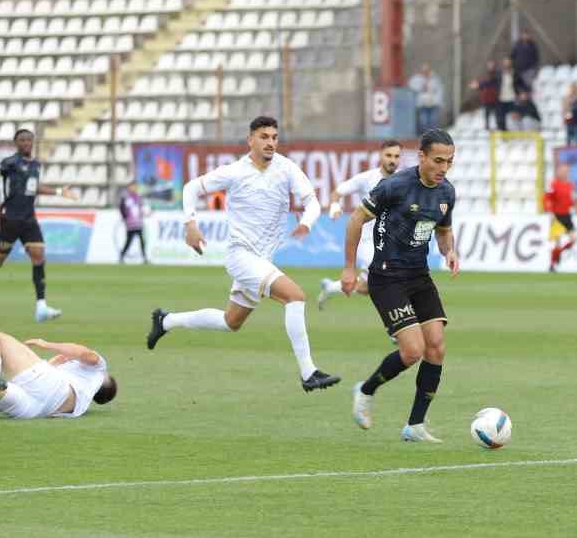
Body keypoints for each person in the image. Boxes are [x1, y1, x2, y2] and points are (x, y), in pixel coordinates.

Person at [145, 116, 339, 393]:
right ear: (250, 140)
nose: (270, 142)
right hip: (241, 256)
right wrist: (190, 224)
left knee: (231, 321)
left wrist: (306, 222)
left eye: (274, 137)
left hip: (262, 260)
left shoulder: (287, 168)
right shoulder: (235, 171)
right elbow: (190, 188)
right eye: (264, 137)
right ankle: (309, 373)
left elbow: (312, 202)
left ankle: (166, 320)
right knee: (295, 296)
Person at [341, 128, 460, 444]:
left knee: (436, 346)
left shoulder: (446, 192)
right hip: (386, 276)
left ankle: (415, 425)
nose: (443, 168)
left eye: (449, 162)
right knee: (413, 351)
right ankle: (365, 390)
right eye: (438, 161)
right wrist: (350, 268)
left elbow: (444, 231)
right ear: (421, 157)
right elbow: (355, 220)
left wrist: (450, 252)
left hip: (419, 276)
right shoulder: (394, 186)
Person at [0, 128, 80, 322]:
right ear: (16, 143)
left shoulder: (36, 165)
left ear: (33, 142)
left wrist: (59, 192)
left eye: (29, 139)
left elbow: (34, 187)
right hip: (10, 218)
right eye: (22, 140)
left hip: (29, 218)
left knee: (38, 256)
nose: (26, 142)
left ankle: (41, 306)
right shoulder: (10, 163)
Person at [0, 329, 116, 426]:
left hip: (52, 390)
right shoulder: (82, 394)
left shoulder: (99, 371)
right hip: (36, 410)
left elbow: (84, 353)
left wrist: (47, 344)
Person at [317, 139, 402, 309]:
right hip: (367, 241)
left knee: (365, 288)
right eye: (388, 155)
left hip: (389, 242)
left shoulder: (403, 181)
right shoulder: (367, 178)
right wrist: (334, 206)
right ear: (380, 156)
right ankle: (395, 328)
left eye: (396, 156)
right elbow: (337, 192)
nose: (392, 160)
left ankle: (331, 287)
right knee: (387, 281)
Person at [543, 164, 576, 272]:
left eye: (566, 171)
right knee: (557, 241)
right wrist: (550, 213)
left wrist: (574, 204)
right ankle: (552, 265)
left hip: (567, 215)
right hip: (557, 216)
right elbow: (547, 199)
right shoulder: (553, 184)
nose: (565, 173)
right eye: (562, 171)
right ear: (558, 172)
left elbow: (570, 200)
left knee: (573, 239)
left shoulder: (570, 185)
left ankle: (558, 254)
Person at [118, 183, 147, 264]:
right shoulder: (126, 198)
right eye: (132, 187)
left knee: (141, 240)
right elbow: (122, 208)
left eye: (135, 187)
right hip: (130, 223)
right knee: (128, 241)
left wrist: (143, 214)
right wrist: (124, 218)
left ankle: (144, 257)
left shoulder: (138, 197)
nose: (134, 188)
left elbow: (141, 208)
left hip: (138, 223)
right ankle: (122, 256)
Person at [410, 63, 444, 133]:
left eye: (427, 70)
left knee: (433, 122)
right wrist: (422, 85)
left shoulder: (435, 79)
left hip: (433, 104)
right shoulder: (417, 79)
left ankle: (433, 137)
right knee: (423, 122)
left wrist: (438, 102)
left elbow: (439, 91)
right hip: (422, 104)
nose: (426, 72)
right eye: (424, 70)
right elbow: (413, 87)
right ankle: (425, 136)